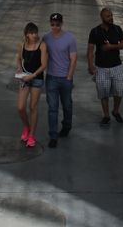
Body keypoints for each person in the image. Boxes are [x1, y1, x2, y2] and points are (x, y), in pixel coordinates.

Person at [87, 8, 123, 125]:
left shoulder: (117, 29)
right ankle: (106, 115)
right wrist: (90, 65)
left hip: (117, 66)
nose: (111, 18)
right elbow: (90, 50)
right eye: (108, 16)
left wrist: (112, 47)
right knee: (103, 93)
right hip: (101, 67)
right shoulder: (95, 31)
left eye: (111, 15)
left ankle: (116, 110)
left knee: (119, 91)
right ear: (102, 17)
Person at [42, 12, 77, 148]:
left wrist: (69, 76)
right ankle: (53, 136)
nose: (55, 27)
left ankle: (67, 126)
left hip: (65, 78)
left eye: (57, 24)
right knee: (52, 108)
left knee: (67, 105)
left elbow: (73, 58)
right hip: (51, 78)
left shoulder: (70, 38)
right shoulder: (46, 38)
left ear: (61, 24)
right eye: (52, 24)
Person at [17, 22, 48, 149]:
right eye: (31, 33)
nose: (34, 35)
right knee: (20, 107)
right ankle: (27, 126)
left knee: (33, 107)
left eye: (35, 32)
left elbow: (44, 65)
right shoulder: (22, 45)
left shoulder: (42, 45)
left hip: (36, 78)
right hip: (25, 78)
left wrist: (33, 75)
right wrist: (19, 68)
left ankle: (32, 135)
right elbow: (19, 59)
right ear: (26, 34)